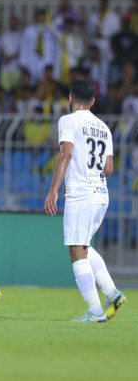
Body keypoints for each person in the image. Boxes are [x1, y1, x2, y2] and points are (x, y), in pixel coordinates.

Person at [44, 78, 126, 322]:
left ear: (70, 98)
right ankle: (112, 293)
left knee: (76, 250)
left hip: (81, 194)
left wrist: (53, 190)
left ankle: (96, 312)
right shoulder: (104, 127)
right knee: (84, 246)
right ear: (93, 101)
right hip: (101, 194)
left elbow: (65, 154)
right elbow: (109, 168)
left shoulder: (68, 121)